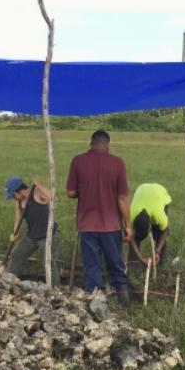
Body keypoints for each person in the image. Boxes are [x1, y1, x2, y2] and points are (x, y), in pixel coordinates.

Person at [66, 130, 132, 304]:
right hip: (111, 224)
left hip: (87, 224)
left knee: (92, 264)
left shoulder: (78, 161)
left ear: (91, 143)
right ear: (108, 145)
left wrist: (83, 191)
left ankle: (97, 299)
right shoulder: (117, 163)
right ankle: (122, 294)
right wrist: (128, 225)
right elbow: (123, 197)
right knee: (115, 261)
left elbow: (70, 192)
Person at [4, 176, 60, 285]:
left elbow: (53, 198)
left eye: (13, 195)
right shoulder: (18, 202)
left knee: (48, 262)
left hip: (47, 235)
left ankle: (55, 289)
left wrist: (39, 184)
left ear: (19, 191)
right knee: (16, 255)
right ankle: (8, 282)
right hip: (32, 235)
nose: (13, 198)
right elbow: (18, 219)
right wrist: (14, 233)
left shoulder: (37, 192)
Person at [128, 183, 172, 266]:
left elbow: (165, 231)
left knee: (159, 234)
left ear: (150, 225)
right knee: (136, 237)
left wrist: (157, 251)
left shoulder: (158, 215)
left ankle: (161, 261)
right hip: (142, 189)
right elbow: (131, 238)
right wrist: (140, 258)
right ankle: (132, 264)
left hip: (159, 192)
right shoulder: (131, 216)